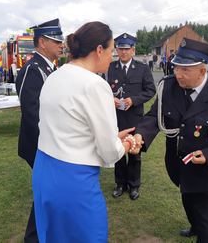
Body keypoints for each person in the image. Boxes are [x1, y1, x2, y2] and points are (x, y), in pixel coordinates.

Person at [32, 21, 142, 243]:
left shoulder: (55, 75)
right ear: (99, 50)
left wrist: (113, 139)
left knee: (53, 235)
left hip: (44, 169)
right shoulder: (95, 84)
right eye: (111, 51)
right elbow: (110, 152)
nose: (112, 57)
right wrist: (128, 143)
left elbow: (69, 128)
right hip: (73, 179)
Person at [134, 38, 208, 243]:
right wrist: (140, 135)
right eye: (176, 67)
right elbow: (155, 116)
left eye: (185, 70)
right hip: (180, 165)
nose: (177, 74)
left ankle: (202, 230)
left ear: (203, 71)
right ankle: (195, 225)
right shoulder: (169, 87)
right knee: (188, 201)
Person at [15, 18, 63, 243]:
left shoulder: (50, 67)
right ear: (42, 42)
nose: (61, 44)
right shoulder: (32, 70)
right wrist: (50, 145)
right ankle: (33, 238)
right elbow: (32, 113)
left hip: (51, 143)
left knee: (51, 193)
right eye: (56, 40)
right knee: (47, 193)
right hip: (41, 145)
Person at [107, 33, 155, 200]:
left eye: (127, 49)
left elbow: (150, 91)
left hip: (135, 117)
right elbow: (102, 89)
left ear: (133, 50)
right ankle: (120, 183)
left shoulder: (143, 69)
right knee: (118, 152)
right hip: (116, 117)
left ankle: (134, 185)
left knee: (134, 151)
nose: (123, 52)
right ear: (117, 50)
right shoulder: (109, 68)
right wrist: (109, 98)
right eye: (120, 49)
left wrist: (133, 100)